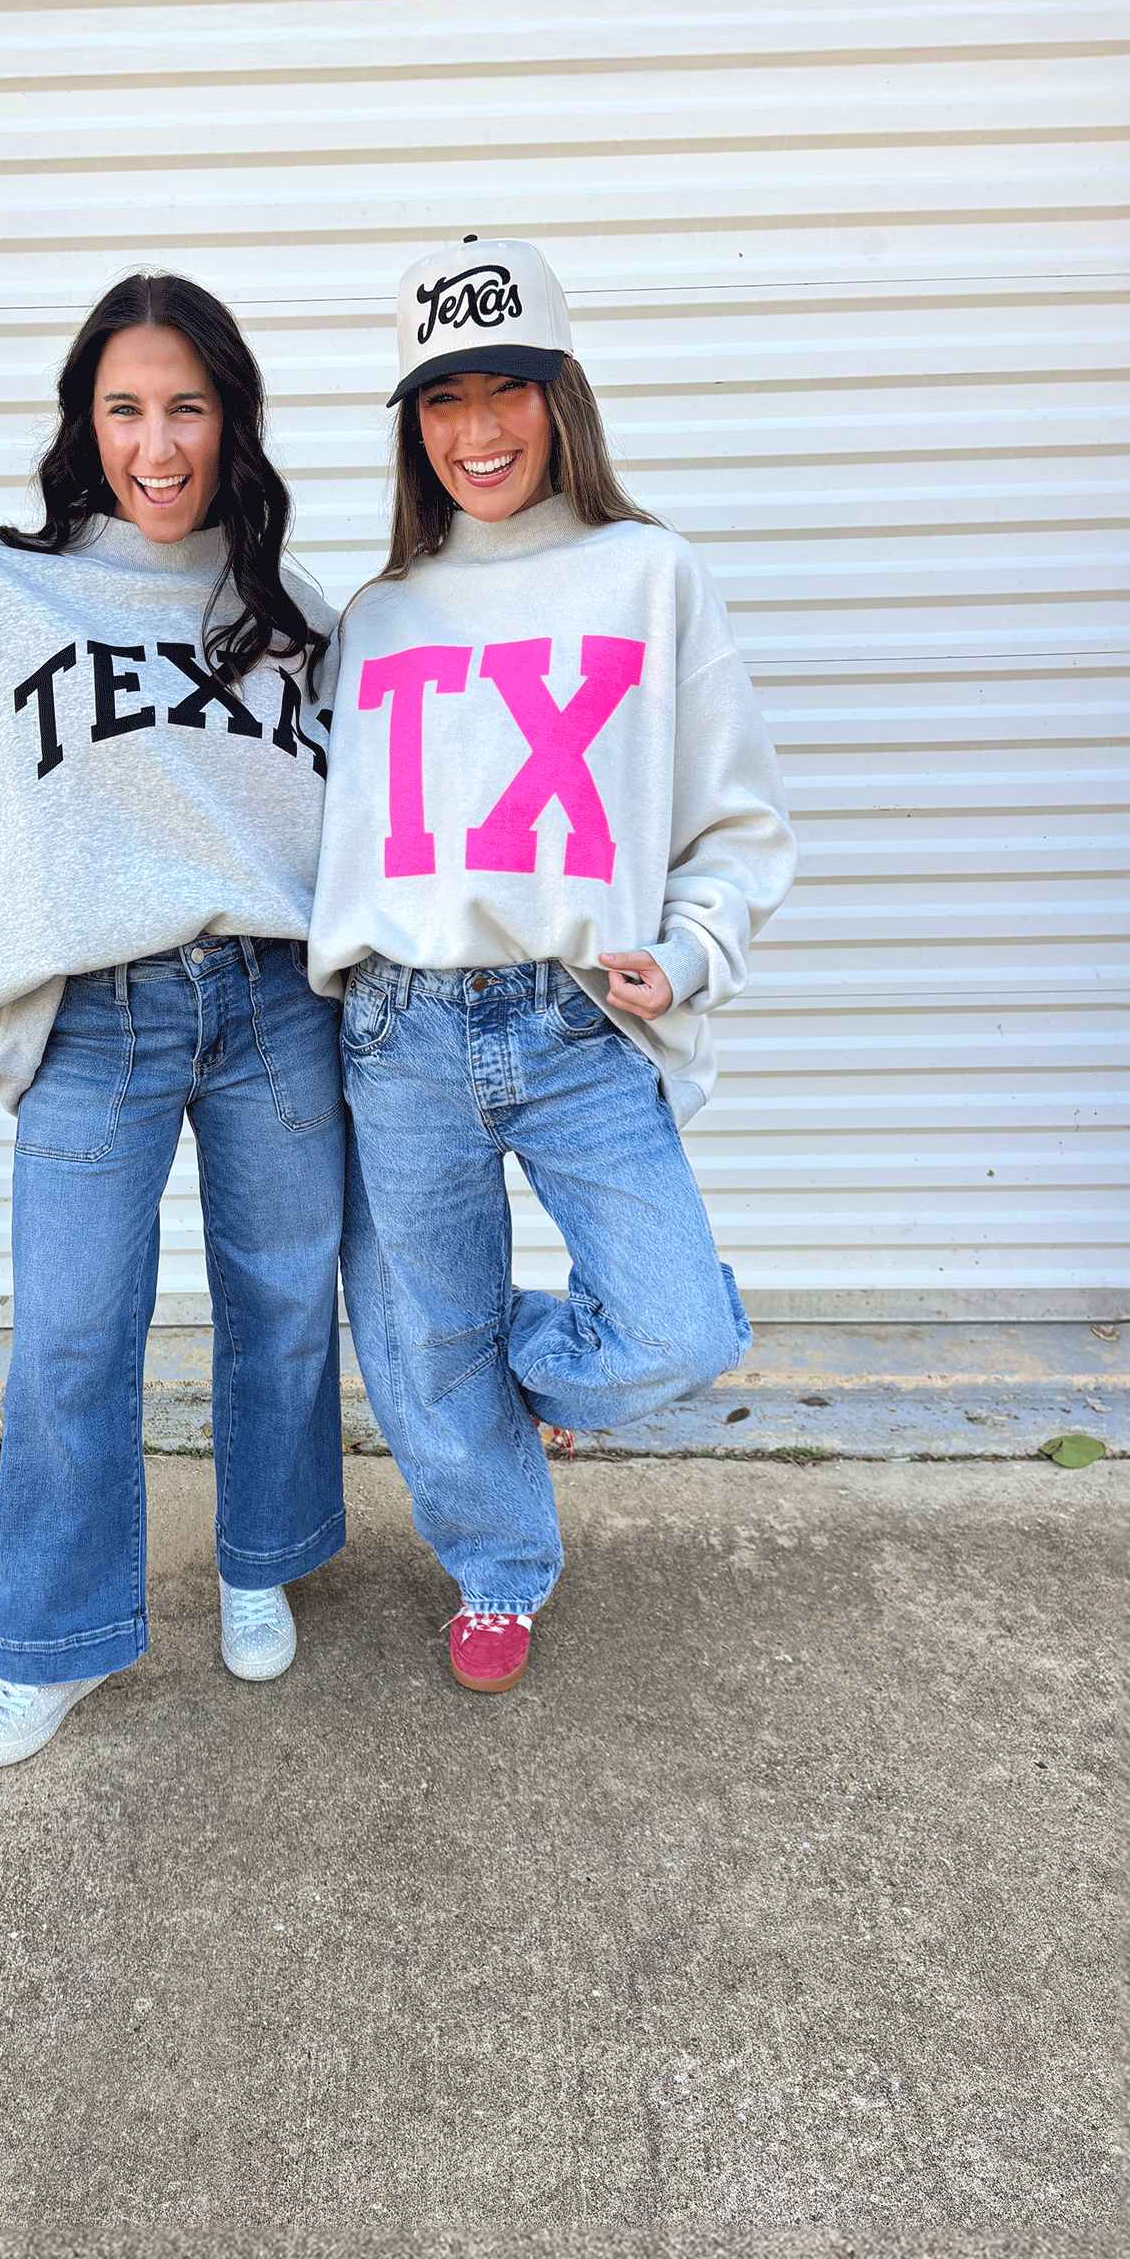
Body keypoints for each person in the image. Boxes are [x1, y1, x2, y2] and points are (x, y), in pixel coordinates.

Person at [0, 272, 348, 1769]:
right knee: (68, 1337)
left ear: (231, 424)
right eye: (125, 408)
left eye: (186, 407)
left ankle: (260, 1556)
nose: (156, 443)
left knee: (287, 1305)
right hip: (93, 1021)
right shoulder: (4, 595)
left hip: (271, 1006)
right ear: (85, 424)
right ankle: (53, 1632)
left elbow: (374, 828)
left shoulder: (299, 619)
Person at [310, 235, 797, 1695]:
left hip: (578, 1020)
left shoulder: (651, 576)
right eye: (441, 397)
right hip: (398, 1031)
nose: (476, 430)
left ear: (559, 394)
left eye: (505, 387)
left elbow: (742, 815)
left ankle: (456, 1376)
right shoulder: (377, 617)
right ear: (413, 426)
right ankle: (499, 1565)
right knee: (426, 1318)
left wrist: (695, 949)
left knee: (674, 1329)